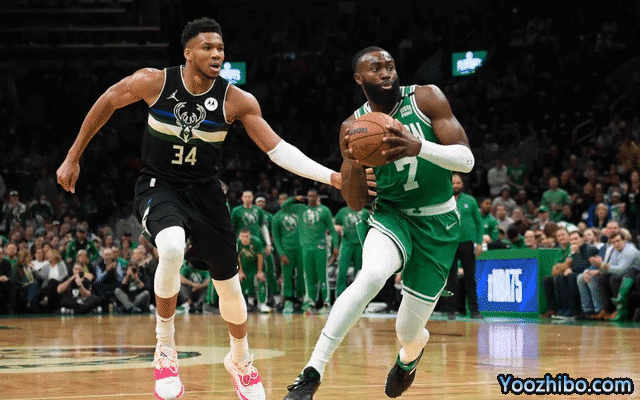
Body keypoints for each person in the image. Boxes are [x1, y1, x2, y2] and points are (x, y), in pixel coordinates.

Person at [56, 17, 341, 400]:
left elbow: (277, 150)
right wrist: (73, 156)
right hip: (159, 185)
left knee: (229, 286)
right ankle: (165, 349)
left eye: (220, 48)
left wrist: (332, 177)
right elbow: (107, 100)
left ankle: (240, 359)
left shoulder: (236, 100)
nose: (216, 54)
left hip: (206, 193)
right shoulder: (154, 82)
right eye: (208, 47)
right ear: (188, 52)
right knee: (171, 247)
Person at [283, 46, 474, 399]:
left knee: (408, 331)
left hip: (438, 222)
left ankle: (409, 358)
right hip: (391, 215)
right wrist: (354, 163)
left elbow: (466, 161)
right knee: (370, 275)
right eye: (376, 68)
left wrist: (419, 146)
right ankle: (312, 372)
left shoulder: (426, 98)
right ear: (359, 78)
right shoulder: (353, 126)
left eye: (390, 66)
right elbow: (356, 201)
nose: (386, 72)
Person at [441, 174, 483, 319]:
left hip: (467, 243)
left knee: (470, 277)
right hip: (450, 243)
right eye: (453, 183)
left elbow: (479, 223)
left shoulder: (470, 201)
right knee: (450, 278)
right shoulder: (444, 200)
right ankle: (450, 311)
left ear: (462, 185)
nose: (456, 185)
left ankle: (474, 310)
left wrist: (479, 243)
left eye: (458, 183)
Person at [272, 193, 305, 313]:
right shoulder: (277, 217)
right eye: (281, 199)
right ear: (278, 202)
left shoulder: (298, 210)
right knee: (287, 276)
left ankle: (300, 298)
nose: (283, 201)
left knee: (301, 274)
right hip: (286, 250)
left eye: (285, 199)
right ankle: (288, 299)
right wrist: (281, 253)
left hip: (301, 248)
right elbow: (276, 238)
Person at [333, 204, 369, 298]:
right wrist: (337, 228)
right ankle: (339, 296)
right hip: (346, 244)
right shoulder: (343, 211)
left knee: (360, 273)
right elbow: (334, 225)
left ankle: (360, 297)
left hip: (360, 245)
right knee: (342, 271)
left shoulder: (365, 212)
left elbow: (370, 228)